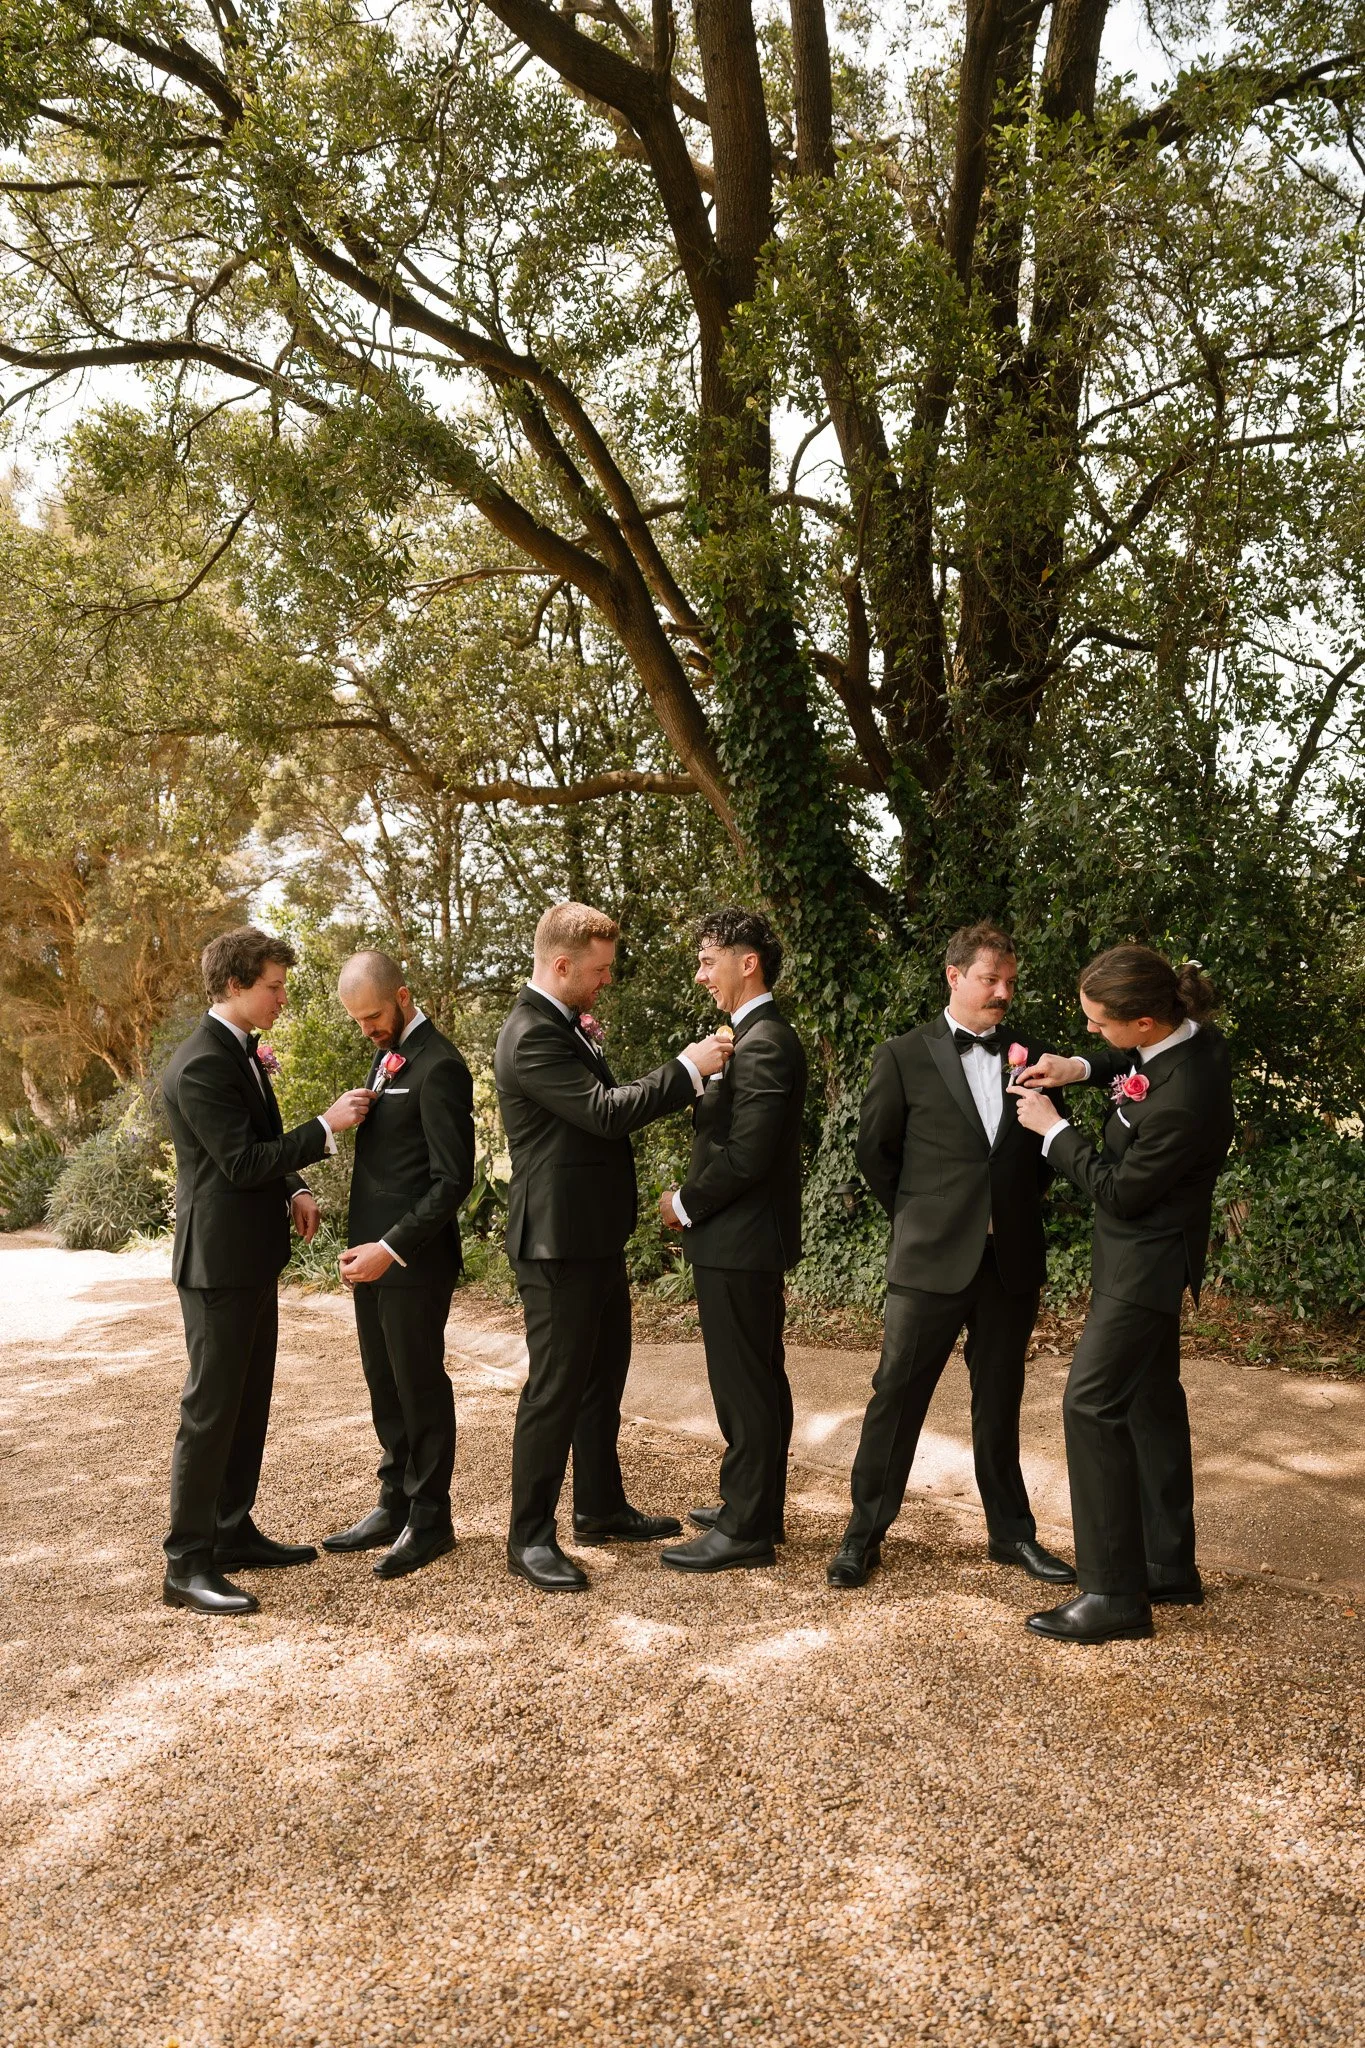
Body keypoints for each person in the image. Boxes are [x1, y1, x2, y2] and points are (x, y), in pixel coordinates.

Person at [826, 923, 1075, 1590]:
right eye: (990, 979)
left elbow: (1045, 1153)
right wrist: (925, 1217)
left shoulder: (1035, 1055)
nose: (1002, 992)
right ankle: (862, 1535)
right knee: (895, 1396)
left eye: (1009, 982)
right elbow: (875, 1154)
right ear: (953, 976)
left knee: (998, 1400)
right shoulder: (903, 1055)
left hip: (1009, 1263)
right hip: (929, 1260)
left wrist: (1008, 1209)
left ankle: (1010, 1535)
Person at [494, 902, 732, 1592]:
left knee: (601, 1383)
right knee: (554, 1390)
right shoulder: (529, 1034)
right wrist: (685, 1069)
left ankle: (598, 1507)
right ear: (561, 965)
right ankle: (527, 1538)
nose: (604, 983)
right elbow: (603, 1114)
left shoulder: (566, 1025)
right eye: (597, 972)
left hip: (593, 1237)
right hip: (555, 1243)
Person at [1011, 948, 1234, 1642]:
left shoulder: (1185, 1099)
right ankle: (1166, 1565)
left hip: (1146, 1264)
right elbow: (1135, 1064)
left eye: (1096, 1026)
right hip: (1137, 1260)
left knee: (1088, 1404)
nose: (1088, 1034)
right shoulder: (1188, 1039)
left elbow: (1120, 1190)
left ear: (1141, 1020)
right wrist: (1078, 1070)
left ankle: (1111, 1594)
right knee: (1148, 1402)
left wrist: (1053, 1131)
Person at [161, 927, 374, 1615]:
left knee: (248, 1402)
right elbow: (238, 1161)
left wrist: (295, 1189)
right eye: (272, 987)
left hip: (251, 1256)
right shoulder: (200, 1065)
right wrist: (327, 1126)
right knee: (210, 1410)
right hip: (217, 1263)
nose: (282, 998)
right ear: (232, 986)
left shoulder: (242, 1053)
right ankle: (186, 1564)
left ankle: (231, 1530)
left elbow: (259, 1150)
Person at [657, 909, 807, 1574]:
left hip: (740, 1240)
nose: (699, 974)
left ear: (747, 962)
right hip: (733, 1240)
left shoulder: (768, 1040)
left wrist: (684, 1203)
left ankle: (746, 1526)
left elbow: (749, 1154)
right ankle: (754, 1504)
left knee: (744, 1382)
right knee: (754, 1378)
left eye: (707, 960)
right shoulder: (744, 1038)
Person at [322, 952, 475, 1580]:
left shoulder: (441, 1066)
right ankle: (395, 1500)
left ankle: (432, 1517)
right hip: (371, 1257)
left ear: (404, 996)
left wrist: (391, 1247)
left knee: (418, 1384)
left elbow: (451, 1180)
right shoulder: (385, 1057)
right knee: (382, 1381)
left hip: (412, 1258)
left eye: (375, 1016)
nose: (369, 1030)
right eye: (358, 1021)